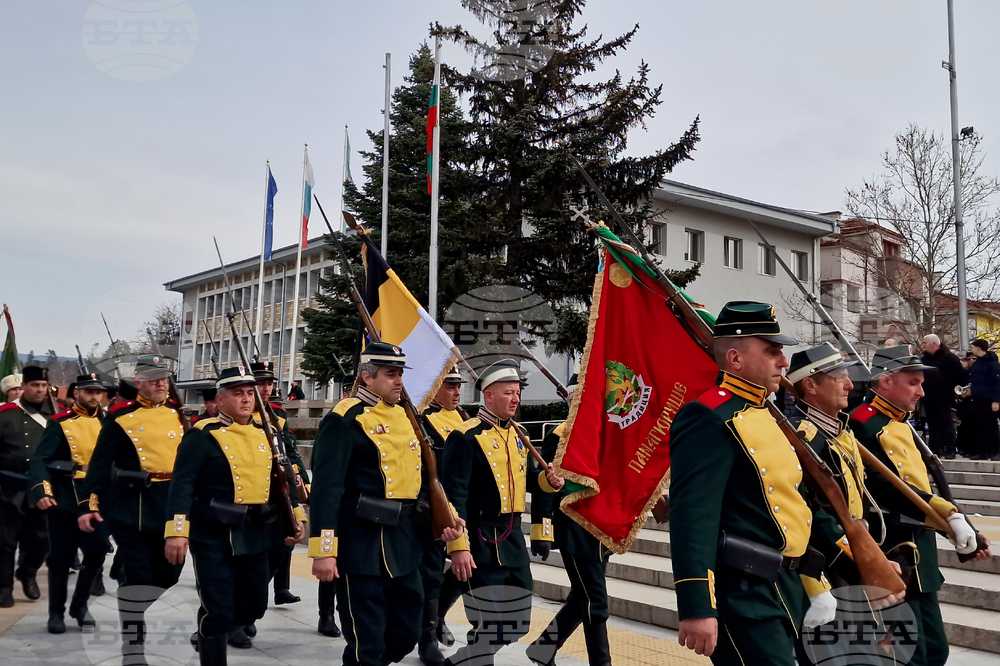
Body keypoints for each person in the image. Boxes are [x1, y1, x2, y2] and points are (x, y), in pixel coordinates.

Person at [669, 302, 836, 664]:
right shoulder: (708, 416)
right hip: (743, 596)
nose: (784, 362)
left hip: (785, 589)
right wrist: (697, 605)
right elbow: (693, 517)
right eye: (773, 351)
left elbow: (794, 507)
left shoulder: (765, 415)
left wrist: (817, 581)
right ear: (736, 358)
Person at [309, 342, 460, 666]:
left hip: (405, 543)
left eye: (400, 374)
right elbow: (326, 489)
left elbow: (426, 480)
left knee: (406, 631)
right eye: (390, 374)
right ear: (367, 377)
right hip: (361, 545)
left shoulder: (409, 418)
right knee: (367, 643)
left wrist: (449, 517)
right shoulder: (345, 418)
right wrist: (323, 550)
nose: (398, 381)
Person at [850, 345, 991, 666]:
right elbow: (885, 489)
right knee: (908, 654)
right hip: (892, 548)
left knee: (934, 650)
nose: (921, 391)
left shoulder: (900, 421)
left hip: (920, 549)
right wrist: (950, 518)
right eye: (913, 382)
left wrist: (961, 527)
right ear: (886, 381)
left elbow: (928, 485)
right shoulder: (864, 423)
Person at [165, 366, 306, 665]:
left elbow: (282, 479)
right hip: (212, 534)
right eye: (237, 393)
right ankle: (213, 645)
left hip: (255, 532)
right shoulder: (203, 435)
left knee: (254, 604)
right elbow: (182, 485)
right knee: (217, 607)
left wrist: (295, 514)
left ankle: (209, 634)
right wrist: (177, 531)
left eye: (249, 393)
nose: (246, 399)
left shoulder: (266, 433)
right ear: (220, 399)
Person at [785, 344, 905, 664]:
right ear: (810, 385)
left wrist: (871, 558)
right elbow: (810, 515)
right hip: (823, 572)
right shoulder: (802, 438)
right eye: (840, 377)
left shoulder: (841, 430)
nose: (851, 385)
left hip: (852, 565)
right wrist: (864, 562)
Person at [441, 359, 562, 666]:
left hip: (512, 539)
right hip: (480, 537)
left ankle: (461, 661)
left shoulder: (520, 434)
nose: (516, 399)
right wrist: (458, 546)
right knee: (490, 621)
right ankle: (474, 661)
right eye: (509, 392)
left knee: (518, 622)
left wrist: (547, 482)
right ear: (489, 396)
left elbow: (530, 479)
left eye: (518, 392)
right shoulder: (465, 437)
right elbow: (454, 496)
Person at [79, 355, 188, 666]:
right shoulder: (120, 417)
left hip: (171, 506)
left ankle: (131, 601)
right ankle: (133, 647)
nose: (160, 383)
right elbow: (99, 467)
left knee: (170, 574)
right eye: (153, 378)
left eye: (164, 377)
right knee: (139, 576)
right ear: (138, 382)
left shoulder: (179, 415)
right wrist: (88, 505)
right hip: (134, 508)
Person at [527, 374, 614, 666]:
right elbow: (545, 485)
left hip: (601, 529)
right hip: (573, 527)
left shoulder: (604, 433)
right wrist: (542, 530)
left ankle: (542, 648)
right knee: (594, 600)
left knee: (583, 596)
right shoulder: (560, 435)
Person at [29, 374, 111, 633]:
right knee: (61, 558)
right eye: (89, 392)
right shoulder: (59, 423)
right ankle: (56, 613)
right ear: (76, 394)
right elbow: (40, 459)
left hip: (98, 497)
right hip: (66, 497)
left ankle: (80, 604)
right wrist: (42, 490)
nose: (94, 397)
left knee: (97, 551)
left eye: (98, 392)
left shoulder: (111, 423)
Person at [416, 366, 467, 666]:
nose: (457, 392)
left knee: (466, 572)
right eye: (450, 387)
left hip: (465, 509)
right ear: (435, 388)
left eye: (458, 386)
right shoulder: (422, 422)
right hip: (438, 510)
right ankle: (427, 638)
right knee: (432, 574)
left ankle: (439, 614)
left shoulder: (464, 420)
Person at [0, 366, 55, 607]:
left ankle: (28, 572)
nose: (40, 390)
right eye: (35, 385)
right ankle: (3, 587)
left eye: (43, 386)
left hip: (42, 488)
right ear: (24, 387)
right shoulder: (5, 414)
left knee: (42, 539)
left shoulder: (56, 416)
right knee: (5, 541)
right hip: (7, 486)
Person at [920, 334, 966, 459]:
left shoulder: (949, 358)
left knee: (946, 423)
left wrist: (954, 392)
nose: (922, 345)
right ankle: (935, 449)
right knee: (932, 424)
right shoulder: (924, 360)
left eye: (925, 343)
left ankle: (950, 449)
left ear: (934, 344)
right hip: (928, 397)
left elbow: (959, 377)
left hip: (945, 397)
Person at [965, 339, 1000, 460]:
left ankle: (995, 451)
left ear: (979, 348)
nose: (972, 350)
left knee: (991, 426)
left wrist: (996, 400)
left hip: (989, 400)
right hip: (977, 399)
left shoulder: (992, 364)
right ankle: (983, 451)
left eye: (973, 347)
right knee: (980, 426)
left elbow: (997, 383)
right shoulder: (977, 363)